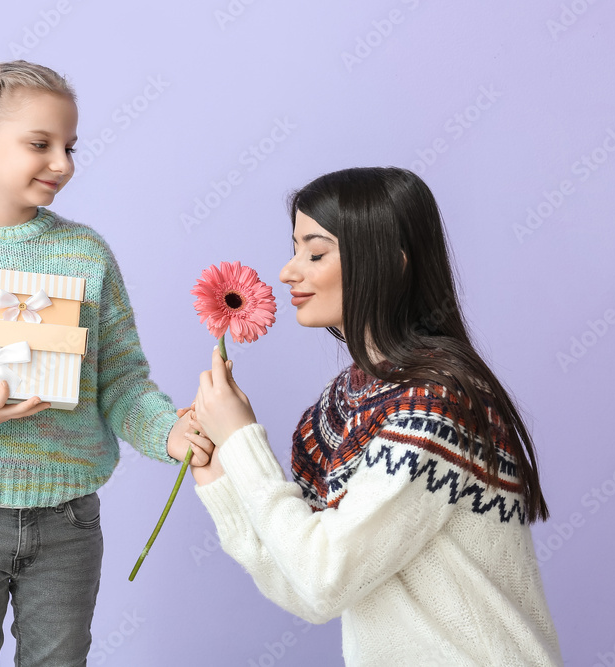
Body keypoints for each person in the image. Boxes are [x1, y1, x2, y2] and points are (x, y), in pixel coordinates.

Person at [0, 61, 210, 667]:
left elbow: (122, 382)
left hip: (68, 521)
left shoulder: (85, 255)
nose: (63, 163)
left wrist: (169, 431)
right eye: (41, 144)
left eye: (69, 146)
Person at [185, 167, 563, 665]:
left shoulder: (435, 404)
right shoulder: (344, 402)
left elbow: (324, 578)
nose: (287, 271)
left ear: (390, 263)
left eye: (315, 252)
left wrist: (240, 439)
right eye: (295, 248)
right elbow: (306, 585)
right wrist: (218, 472)